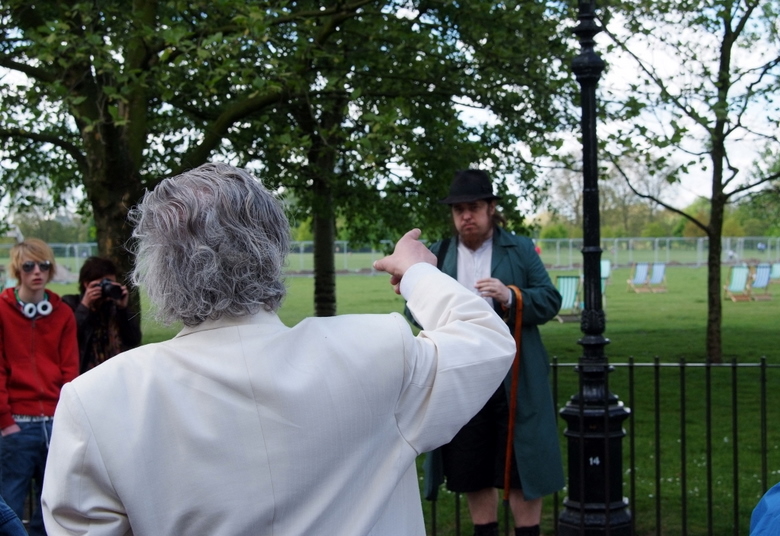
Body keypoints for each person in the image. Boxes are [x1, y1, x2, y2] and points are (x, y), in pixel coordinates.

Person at [41, 162, 517, 535]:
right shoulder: (378, 350)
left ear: (157, 268)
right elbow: (484, 339)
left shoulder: (98, 400)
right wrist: (417, 272)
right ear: (272, 250)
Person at [419, 169, 564, 536]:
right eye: (459, 210)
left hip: (515, 377)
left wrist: (510, 295)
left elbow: (550, 300)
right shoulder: (439, 253)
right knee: (472, 464)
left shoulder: (520, 248)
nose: (466, 216)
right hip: (463, 374)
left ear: (490, 209)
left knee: (521, 462)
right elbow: (414, 308)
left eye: (474, 208)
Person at [0, 239, 79, 536]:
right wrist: (5, 421)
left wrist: (65, 417)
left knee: (54, 505)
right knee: (9, 505)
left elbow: (70, 370)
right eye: (29, 266)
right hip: (16, 426)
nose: (37, 272)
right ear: (17, 270)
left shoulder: (63, 314)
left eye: (44, 266)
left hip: (55, 424)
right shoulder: (2, 311)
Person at [62, 256, 142, 373]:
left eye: (111, 283)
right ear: (87, 284)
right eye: (103, 283)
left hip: (116, 372)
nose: (107, 288)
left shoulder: (115, 307)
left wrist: (123, 309)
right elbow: (69, 338)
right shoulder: (71, 304)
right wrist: (85, 306)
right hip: (86, 374)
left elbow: (133, 340)